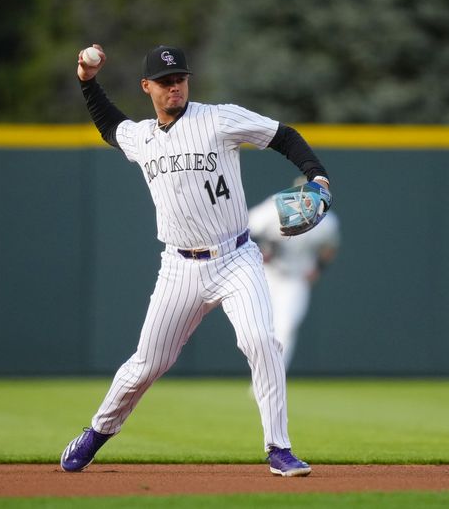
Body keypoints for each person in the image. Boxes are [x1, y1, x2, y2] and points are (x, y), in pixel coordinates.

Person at [60, 43, 332, 477]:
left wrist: (316, 175)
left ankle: (279, 448)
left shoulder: (219, 118)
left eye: (180, 79)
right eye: (165, 82)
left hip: (237, 257)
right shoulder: (143, 137)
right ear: (147, 86)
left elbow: (283, 135)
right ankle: (96, 432)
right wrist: (87, 81)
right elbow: (111, 126)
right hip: (180, 267)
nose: (174, 88)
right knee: (147, 364)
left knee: (262, 341)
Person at [248, 182, 340, 371]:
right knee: (258, 328)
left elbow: (330, 248)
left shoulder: (327, 222)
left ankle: (272, 376)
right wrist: (263, 248)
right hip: (267, 274)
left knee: (286, 327)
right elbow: (245, 228)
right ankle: (262, 370)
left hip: (295, 280)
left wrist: (319, 268)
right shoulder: (273, 209)